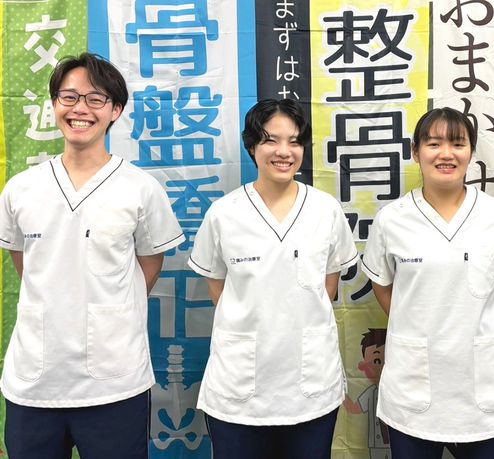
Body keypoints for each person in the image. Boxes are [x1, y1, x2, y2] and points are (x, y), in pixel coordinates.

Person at [0, 53, 184, 458]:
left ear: (115, 110)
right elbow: (25, 262)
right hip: (35, 382)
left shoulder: (140, 188)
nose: (80, 108)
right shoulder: (21, 189)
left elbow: (149, 263)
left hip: (114, 383)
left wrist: (112, 307)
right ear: (54, 105)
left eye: (95, 99)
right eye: (69, 97)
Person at [188, 98, 358, 459]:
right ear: (252, 147)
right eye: (271, 140)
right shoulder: (223, 214)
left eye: (294, 142)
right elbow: (220, 292)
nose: (284, 152)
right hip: (239, 387)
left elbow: (327, 289)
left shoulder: (325, 210)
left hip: (309, 383)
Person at [361, 107, 494, 459]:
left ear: (471, 152)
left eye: (457, 143)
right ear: (415, 152)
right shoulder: (392, 219)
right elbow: (383, 285)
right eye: (433, 144)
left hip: (483, 385)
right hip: (414, 387)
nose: (446, 154)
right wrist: (416, 323)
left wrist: (474, 323)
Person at [343, 328, 391, 459]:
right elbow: (354, 408)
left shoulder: (394, 390)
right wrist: (342, 394)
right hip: (375, 443)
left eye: (378, 361)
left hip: (393, 439)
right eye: (369, 362)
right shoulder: (371, 392)